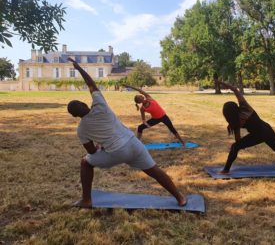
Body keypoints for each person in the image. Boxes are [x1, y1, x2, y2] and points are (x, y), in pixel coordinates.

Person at [66, 57, 186, 208]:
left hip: (116, 152)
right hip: (133, 143)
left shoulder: (81, 130)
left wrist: (99, 146)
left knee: (85, 162)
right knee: (155, 171)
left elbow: (91, 151)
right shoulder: (100, 105)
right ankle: (180, 197)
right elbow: (91, 83)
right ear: (84, 104)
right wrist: (79, 68)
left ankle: (86, 199)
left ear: (75, 116)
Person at [216, 79, 275, 176]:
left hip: (266, 131)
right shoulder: (236, 121)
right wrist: (240, 144)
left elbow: (235, 90)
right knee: (235, 147)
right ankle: (226, 170)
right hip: (256, 135)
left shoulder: (244, 108)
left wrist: (222, 83)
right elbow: (238, 140)